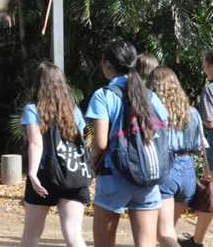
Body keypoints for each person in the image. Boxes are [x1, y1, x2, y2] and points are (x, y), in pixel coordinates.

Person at [86, 38, 170, 247]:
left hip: (114, 178)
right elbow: (164, 128)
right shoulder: (150, 96)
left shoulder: (103, 96)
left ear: (107, 64)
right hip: (147, 178)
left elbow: (101, 143)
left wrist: (90, 162)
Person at [20, 61, 88, 247]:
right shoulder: (74, 111)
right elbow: (80, 142)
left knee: (32, 234)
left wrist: (32, 174)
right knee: (73, 234)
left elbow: (36, 142)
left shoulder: (33, 110)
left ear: (38, 84)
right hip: (72, 175)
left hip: (45, 175)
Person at [147, 66, 204, 247]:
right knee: (169, 230)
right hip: (188, 171)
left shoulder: (155, 111)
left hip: (167, 170)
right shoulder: (192, 113)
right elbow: (199, 146)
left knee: (164, 233)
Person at [179, 49, 213, 247]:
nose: (203, 69)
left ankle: (198, 240)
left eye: (205, 65)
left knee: (211, 195)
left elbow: (209, 122)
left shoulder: (210, 90)